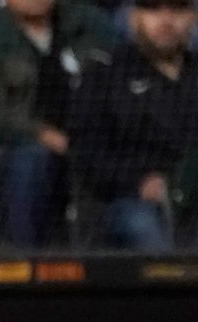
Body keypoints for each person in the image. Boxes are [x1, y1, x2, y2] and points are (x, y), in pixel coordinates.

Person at [0, 0, 115, 250]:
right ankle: (22, 257)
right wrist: (41, 133)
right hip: (15, 145)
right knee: (30, 161)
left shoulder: (88, 24)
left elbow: (117, 80)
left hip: (91, 137)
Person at [69, 0, 198, 251]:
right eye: (153, 10)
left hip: (191, 200)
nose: (166, 21)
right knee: (144, 227)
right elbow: (86, 152)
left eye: (177, 10)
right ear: (134, 18)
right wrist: (138, 182)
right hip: (123, 200)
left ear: (192, 17)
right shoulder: (104, 72)